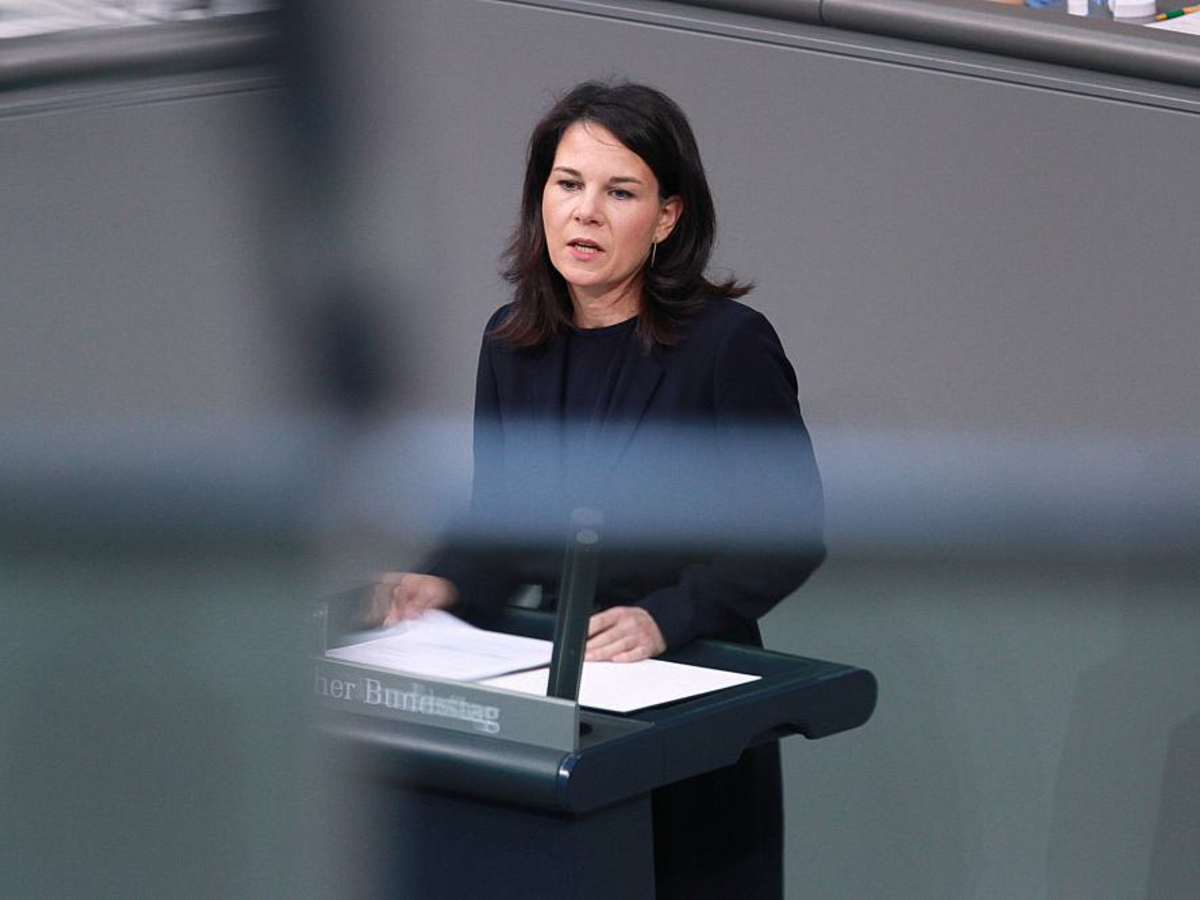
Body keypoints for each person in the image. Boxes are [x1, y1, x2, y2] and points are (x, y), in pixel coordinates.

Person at [375, 80, 824, 899]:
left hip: (688, 701)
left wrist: (666, 617)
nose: (585, 212)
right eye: (568, 184)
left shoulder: (728, 345)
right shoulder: (511, 341)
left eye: (620, 192)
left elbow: (790, 531)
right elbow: (503, 523)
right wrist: (441, 580)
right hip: (557, 702)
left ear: (667, 217)